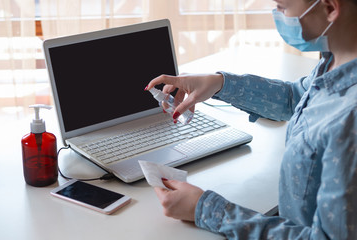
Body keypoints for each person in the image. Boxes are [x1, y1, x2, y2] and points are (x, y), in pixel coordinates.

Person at [145, 0, 357, 239]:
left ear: (330, 8)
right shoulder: (335, 61)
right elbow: (294, 97)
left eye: (282, 7)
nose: (277, 15)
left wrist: (205, 209)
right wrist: (219, 84)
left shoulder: (350, 120)